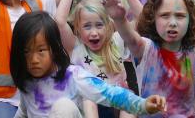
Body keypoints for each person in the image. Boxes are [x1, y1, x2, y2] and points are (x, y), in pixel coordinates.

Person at [9, 11, 166, 118]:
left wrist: (143, 104)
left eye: (41, 50)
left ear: (54, 49)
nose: (33, 59)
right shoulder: (28, 80)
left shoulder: (71, 76)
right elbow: (23, 112)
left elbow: (109, 93)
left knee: (64, 107)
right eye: (26, 52)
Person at [54, 0, 135, 118]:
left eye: (99, 25)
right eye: (87, 26)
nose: (94, 32)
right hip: (90, 110)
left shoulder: (116, 40)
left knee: (128, 97)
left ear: (109, 25)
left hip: (116, 106)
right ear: (77, 28)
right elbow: (59, 21)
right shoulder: (76, 48)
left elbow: (141, 19)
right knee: (89, 97)